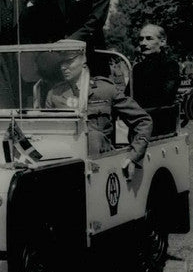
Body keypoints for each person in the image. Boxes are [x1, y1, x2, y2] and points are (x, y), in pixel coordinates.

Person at [46, 50, 152, 180]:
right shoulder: (54, 95)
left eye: (69, 61)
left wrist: (134, 156)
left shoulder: (105, 90)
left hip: (102, 164)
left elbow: (143, 120)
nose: (63, 67)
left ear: (83, 60)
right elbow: (48, 133)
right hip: (67, 161)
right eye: (61, 62)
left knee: (94, 137)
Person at [132, 24, 180, 135]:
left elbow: (165, 97)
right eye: (141, 39)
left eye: (149, 38)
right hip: (138, 125)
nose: (143, 43)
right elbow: (129, 95)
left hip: (161, 125)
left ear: (162, 42)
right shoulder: (137, 68)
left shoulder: (170, 66)